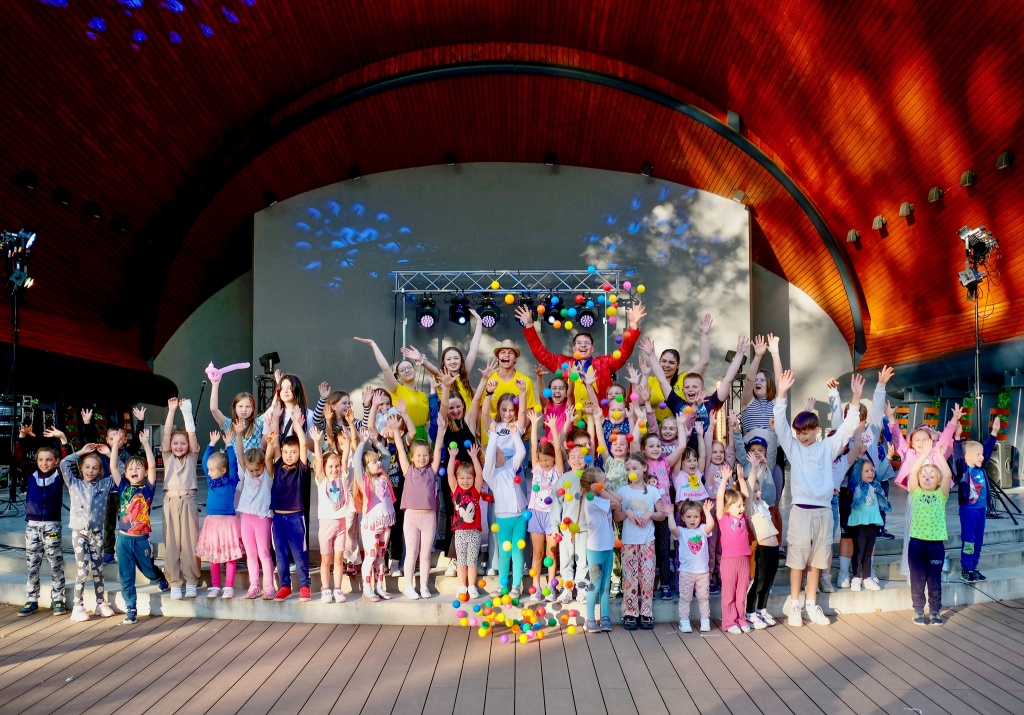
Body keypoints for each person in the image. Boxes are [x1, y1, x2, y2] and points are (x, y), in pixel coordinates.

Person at [773, 368, 863, 627]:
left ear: (815, 430)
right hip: (801, 512)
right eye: (798, 431)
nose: (802, 435)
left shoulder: (827, 447)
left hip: (823, 511)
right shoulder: (793, 448)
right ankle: (794, 605)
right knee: (797, 561)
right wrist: (781, 393)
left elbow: (847, 429)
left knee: (817, 560)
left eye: (806, 431)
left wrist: (856, 398)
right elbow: (780, 425)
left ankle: (811, 605)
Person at [515, 300, 647, 406]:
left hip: (598, 419)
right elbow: (541, 354)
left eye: (587, 343)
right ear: (574, 348)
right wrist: (529, 325)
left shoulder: (604, 363)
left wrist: (633, 325)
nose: (583, 345)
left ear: (592, 348)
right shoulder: (563, 364)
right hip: (571, 420)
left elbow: (623, 353)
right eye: (579, 343)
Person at [109, 429, 166, 625]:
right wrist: (115, 444)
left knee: (148, 570)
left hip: (141, 540)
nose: (134, 470)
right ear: (126, 473)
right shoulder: (123, 486)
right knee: (126, 576)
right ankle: (131, 608)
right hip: (123, 540)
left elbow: (153, 465)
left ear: (145, 472)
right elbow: (113, 467)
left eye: (138, 468)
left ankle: (159, 577)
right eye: (131, 468)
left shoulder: (148, 488)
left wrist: (146, 444)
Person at [58, 435, 117, 621]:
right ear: (82, 468)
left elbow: (121, 472)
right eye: (87, 467)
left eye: (95, 468)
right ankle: (78, 606)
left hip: (97, 533)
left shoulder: (104, 485)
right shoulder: (74, 483)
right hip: (79, 533)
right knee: (83, 570)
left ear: (100, 470)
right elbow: (64, 464)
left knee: (98, 569)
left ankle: (100, 603)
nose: (90, 471)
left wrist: (109, 454)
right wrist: (81, 452)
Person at [394, 414, 446, 600]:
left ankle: (423, 586)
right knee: (411, 553)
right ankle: (409, 586)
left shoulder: (432, 471)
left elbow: (438, 448)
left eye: (425, 455)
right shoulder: (408, 470)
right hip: (411, 517)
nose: (422, 458)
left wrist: (441, 429)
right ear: (412, 457)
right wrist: (395, 430)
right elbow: (400, 449)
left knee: (425, 555)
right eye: (418, 455)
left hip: (429, 518)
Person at [265, 406, 312, 602]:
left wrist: (297, 425)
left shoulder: (301, 468)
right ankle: (285, 586)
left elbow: (303, 443)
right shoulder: (277, 466)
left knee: (299, 554)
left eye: (293, 452)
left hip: (295, 518)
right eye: (286, 452)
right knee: (281, 555)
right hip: (278, 518)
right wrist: (271, 442)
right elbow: (269, 456)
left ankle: (305, 586)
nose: (289, 455)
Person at [18, 436, 69, 617]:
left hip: (52, 526)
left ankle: (58, 599)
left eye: (48, 460)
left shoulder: (58, 475)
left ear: (56, 461)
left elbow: (67, 462)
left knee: (55, 563)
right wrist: (21, 438)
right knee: (32, 564)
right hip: (32, 526)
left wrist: (63, 441)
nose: (44, 463)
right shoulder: (31, 474)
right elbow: (18, 457)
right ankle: (32, 599)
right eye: (41, 460)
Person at [79, 407, 136, 565]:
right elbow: (90, 442)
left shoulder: (127, 453)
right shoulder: (102, 452)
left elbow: (136, 442)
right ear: (107, 440)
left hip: (123, 493)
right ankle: (109, 551)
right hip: (106, 493)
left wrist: (141, 421)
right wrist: (87, 423)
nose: (115, 440)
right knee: (108, 524)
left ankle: (128, 550)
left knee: (126, 522)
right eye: (112, 438)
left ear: (124, 440)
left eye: (119, 438)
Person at [617, 453, 666, 630]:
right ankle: (630, 613)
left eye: (635, 468)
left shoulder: (652, 491)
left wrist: (650, 514)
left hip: (647, 541)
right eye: (628, 468)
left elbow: (661, 515)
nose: (631, 471)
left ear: (644, 468)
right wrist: (627, 512)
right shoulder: (623, 491)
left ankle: (646, 612)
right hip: (628, 542)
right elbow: (617, 516)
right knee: (629, 578)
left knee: (647, 577)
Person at [161, 397, 202, 600]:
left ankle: (192, 581)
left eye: (182, 443)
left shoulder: (192, 457)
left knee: (190, 543)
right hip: (170, 502)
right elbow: (167, 433)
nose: (179, 446)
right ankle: (175, 583)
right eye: (175, 443)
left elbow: (191, 434)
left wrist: (186, 411)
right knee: (171, 545)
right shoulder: (167, 456)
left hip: (188, 501)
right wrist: (171, 411)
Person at [482, 415, 528, 597]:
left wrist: (515, 435)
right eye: (497, 453)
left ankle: (516, 586)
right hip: (503, 519)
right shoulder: (490, 475)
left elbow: (521, 453)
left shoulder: (510, 466)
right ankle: (503, 586)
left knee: (518, 552)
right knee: (505, 553)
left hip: (520, 517)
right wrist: (493, 436)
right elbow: (489, 457)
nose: (501, 454)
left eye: (500, 451)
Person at [952, 415, 1000, 583]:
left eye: (982, 454)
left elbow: (987, 450)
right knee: (969, 540)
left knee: (978, 540)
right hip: (968, 511)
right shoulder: (963, 469)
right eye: (978, 454)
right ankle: (966, 568)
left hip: (981, 510)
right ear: (967, 457)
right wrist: (957, 437)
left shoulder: (981, 468)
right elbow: (957, 456)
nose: (982, 457)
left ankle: (974, 566)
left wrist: (994, 433)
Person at [907, 450, 953, 625]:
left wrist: (939, 456)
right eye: (924, 475)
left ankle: (935, 611)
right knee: (917, 579)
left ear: (938, 481)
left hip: (935, 545)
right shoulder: (916, 493)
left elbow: (947, 475)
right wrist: (925, 453)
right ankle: (918, 610)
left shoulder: (942, 495)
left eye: (932, 476)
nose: (927, 478)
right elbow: (912, 472)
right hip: (916, 543)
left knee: (934, 580)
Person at [354, 337, 431, 441]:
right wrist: (373, 345)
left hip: (422, 435)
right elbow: (385, 369)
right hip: (404, 434)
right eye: (402, 370)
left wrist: (423, 360)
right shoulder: (397, 390)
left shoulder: (423, 395)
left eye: (409, 367)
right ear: (398, 376)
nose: (407, 370)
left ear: (415, 370)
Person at [197, 431, 243, 599]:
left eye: (212, 470)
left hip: (227, 523)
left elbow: (233, 463)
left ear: (223, 470)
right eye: (209, 470)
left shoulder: (231, 481)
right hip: (212, 523)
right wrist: (211, 444)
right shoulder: (211, 482)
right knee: (213, 556)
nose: (208, 472)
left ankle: (229, 587)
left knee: (230, 556)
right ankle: (215, 586)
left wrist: (229, 445)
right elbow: (204, 463)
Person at [233, 424, 275, 600]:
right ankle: (254, 585)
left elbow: (269, 459)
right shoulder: (248, 474)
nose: (254, 473)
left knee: (264, 552)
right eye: (251, 470)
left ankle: (269, 586)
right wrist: (238, 435)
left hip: (262, 516)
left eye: (257, 469)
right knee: (250, 553)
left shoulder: (267, 475)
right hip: (247, 517)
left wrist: (270, 444)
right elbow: (240, 455)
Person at [525, 411, 564, 601]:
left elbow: (557, 448)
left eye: (547, 460)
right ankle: (536, 588)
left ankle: (551, 587)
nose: (544, 463)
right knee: (538, 553)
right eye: (541, 460)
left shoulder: (558, 470)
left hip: (552, 516)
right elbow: (534, 445)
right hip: (536, 514)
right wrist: (534, 424)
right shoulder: (536, 468)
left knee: (552, 552)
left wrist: (554, 429)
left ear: (553, 459)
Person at [353, 434, 396, 601]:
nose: (378, 463)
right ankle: (367, 588)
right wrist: (362, 443)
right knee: (371, 556)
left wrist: (376, 441)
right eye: (373, 462)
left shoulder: (383, 475)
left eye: (377, 461)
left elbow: (386, 455)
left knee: (380, 557)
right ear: (366, 467)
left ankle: (379, 586)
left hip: (385, 523)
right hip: (371, 525)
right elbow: (357, 462)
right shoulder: (364, 480)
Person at [581, 466, 624, 633]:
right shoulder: (592, 499)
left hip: (607, 547)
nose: (607, 484)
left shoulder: (599, 497)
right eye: (603, 481)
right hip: (596, 550)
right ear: (593, 485)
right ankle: (590, 619)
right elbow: (616, 504)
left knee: (606, 585)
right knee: (595, 585)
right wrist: (602, 490)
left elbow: (619, 498)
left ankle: (605, 617)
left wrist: (604, 488)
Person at [311, 425, 350, 603]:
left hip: (341, 525)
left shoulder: (342, 478)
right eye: (331, 466)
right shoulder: (322, 480)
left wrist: (347, 439)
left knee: (339, 559)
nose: (335, 469)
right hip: (326, 526)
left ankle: (338, 589)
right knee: (326, 560)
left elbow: (346, 456)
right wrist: (317, 442)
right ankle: (326, 589)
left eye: (337, 466)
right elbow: (319, 460)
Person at [648, 313, 712, 422]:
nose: (666, 365)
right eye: (664, 361)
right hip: (656, 429)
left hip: (681, 426)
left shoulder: (684, 379)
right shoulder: (651, 381)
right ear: (659, 362)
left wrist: (704, 334)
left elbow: (704, 361)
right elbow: (636, 401)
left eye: (671, 362)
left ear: (678, 365)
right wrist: (644, 375)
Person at [743, 453, 780, 628]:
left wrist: (764, 466)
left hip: (774, 548)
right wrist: (753, 468)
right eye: (755, 491)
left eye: (760, 490)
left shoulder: (762, 504)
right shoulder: (749, 508)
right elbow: (751, 486)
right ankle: (750, 612)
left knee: (768, 582)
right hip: (762, 549)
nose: (758, 492)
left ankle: (761, 609)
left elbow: (759, 482)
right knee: (758, 582)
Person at [716, 463, 752, 634]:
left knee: (741, 592)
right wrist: (724, 479)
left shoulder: (743, 518)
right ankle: (729, 622)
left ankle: (741, 619)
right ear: (727, 507)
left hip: (744, 559)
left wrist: (742, 479)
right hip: (729, 561)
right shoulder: (723, 518)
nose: (742, 508)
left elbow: (746, 496)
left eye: (742, 505)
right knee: (729, 593)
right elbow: (719, 498)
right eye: (738, 506)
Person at [555, 429, 590, 604]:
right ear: (568, 461)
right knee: (566, 559)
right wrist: (555, 525)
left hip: (585, 527)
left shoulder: (591, 477)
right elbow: (556, 503)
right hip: (566, 528)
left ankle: (582, 588)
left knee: (583, 559)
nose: (577, 459)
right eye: (573, 457)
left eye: (580, 456)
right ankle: (567, 588)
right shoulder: (564, 479)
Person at [669, 499, 715, 633]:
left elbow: (711, 524)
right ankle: (684, 621)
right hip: (686, 572)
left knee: (703, 597)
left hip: (702, 573)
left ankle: (705, 620)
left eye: (696, 516)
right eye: (689, 516)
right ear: (683, 518)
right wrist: (671, 514)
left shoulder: (702, 530)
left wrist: (707, 511)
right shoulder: (681, 531)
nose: (692, 519)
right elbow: (672, 528)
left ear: (700, 517)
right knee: (685, 597)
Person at [446, 444, 484, 599]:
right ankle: (462, 585)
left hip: (474, 532)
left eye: (469, 478)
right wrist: (452, 457)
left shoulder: (475, 490)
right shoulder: (456, 490)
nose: (465, 481)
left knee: (472, 561)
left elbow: (480, 474)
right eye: (462, 478)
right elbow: (450, 474)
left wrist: (474, 457)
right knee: (461, 560)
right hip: (460, 532)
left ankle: (472, 586)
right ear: (457, 479)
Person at [847, 458, 890, 591]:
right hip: (859, 525)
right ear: (859, 473)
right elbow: (855, 474)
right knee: (858, 552)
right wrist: (858, 453)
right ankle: (856, 578)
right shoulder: (857, 485)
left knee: (868, 553)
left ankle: (867, 578)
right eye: (866, 471)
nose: (870, 473)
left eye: (871, 470)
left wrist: (888, 458)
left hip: (872, 524)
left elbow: (881, 472)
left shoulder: (875, 484)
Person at [209, 375, 263, 451]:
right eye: (240, 406)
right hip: (234, 459)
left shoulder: (259, 422)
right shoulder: (229, 424)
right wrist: (215, 385)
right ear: (235, 408)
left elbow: (274, 407)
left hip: (252, 459)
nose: (244, 410)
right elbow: (214, 409)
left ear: (253, 408)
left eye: (248, 406)